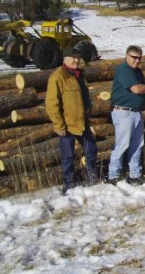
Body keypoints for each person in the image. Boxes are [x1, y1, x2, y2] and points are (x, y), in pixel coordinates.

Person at [45, 47, 98, 194]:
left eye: (77, 57)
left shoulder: (78, 75)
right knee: (68, 156)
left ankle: (92, 180)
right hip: (66, 125)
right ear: (65, 59)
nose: (76, 60)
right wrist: (58, 124)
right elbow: (51, 104)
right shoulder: (58, 77)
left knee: (91, 150)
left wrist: (88, 108)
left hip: (81, 122)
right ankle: (69, 185)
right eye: (72, 57)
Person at [107, 45, 145, 186]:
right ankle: (113, 175)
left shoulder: (137, 72)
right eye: (134, 57)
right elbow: (137, 89)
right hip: (124, 113)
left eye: (139, 58)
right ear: (127, 56)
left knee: (137, 144)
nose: (137, 60)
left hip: (136, 112)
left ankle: (135, 174)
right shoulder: (123, 69)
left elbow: (143, 94)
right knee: (122, 144)